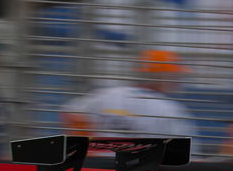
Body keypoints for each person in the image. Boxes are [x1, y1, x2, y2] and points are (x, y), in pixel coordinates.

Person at [61, 49, 198, 140]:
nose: (178, 80)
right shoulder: (171, 111)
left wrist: (86, 148)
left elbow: (71, 111)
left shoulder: (108, 95)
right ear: (165, 78)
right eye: (176, 76)